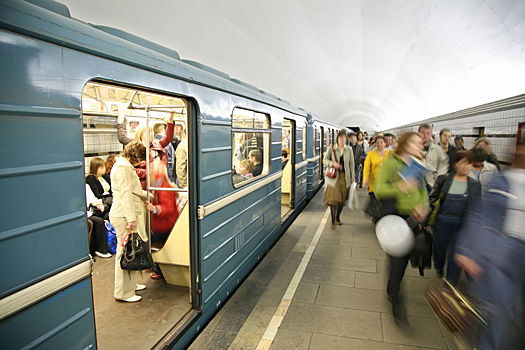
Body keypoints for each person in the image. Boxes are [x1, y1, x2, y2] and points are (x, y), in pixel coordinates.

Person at [454, 143, 525, 350]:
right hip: (501, 257)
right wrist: (468, 250)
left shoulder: (495, 175)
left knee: (509, 316)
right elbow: (481, 216)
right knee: (499, 312)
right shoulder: (502, 181)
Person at [375, 131, 429, 327]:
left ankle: (394, 288)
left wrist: (423, 206)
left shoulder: (417, 165)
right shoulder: (392, 163)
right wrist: (400, 187)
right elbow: (379, 189)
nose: (420, 146)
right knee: (398, 262)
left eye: (421, 143)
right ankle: (396, 298)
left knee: (405, 259)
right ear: (405, 144)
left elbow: (423, 190)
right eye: (416, 142)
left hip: (413, 220)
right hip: (395, 221)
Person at [427, 151, 481, 285]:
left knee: (456, 256)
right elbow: (432, 199)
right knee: (440, 251)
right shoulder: (443, 179)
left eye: (468, 163)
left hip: (462, 225)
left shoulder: (475, 185)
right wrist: (425, 219)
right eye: (461, 163)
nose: (464, 166)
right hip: (442, 223)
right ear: (455, 164)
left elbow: (476, 208)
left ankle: (450, 286)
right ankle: (439, 266)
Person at [109, 141, 148, 303]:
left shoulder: (123, 165)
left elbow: (133, 191)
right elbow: (125, 195)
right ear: (136, 156)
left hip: (126, 213)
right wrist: (131, 219)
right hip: (123, 215)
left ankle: (131, 284)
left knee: (131, 251)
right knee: (125, 253)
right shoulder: (123, 167)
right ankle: (123, 292)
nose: (141, 162)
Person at [117, 112, 175, 188]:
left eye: (152, 132)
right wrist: (120, 123)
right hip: (143, 184)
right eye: (148, 132)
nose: (151, 134)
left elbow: (168, 138)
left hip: (158, 181)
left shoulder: (156, 143)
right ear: (141, 134)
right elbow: (122, 138)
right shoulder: (135, 147)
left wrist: (170, 122)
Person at [144, 161, 180, 280]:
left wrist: (153, 208)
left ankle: (158, 269)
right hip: (163, 224)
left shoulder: (163, 188)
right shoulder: (160, 185)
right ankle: (154, 263)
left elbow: (168, 207)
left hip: (165, 225)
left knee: (149, 242)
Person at [323, 129, 356, 228]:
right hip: (334, 178)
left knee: (341, 200)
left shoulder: (349, 149)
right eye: (340, 137)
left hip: (345, 178)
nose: (342, 139)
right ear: (337, 138)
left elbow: (351, 164)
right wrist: (333, 164)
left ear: (346, 139)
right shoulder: (331, 148)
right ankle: (333, 220)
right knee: (333, 200)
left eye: (344, 137)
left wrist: (353, 178)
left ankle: (337, 217)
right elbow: (324, 160)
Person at [362, 135, 390, 222]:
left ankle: (381, 216)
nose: (379, 144)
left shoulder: (390, 154)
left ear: (385, 143)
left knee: (384, 202)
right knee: (374, 200)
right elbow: (366, 167)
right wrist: (365, 179)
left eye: (381, 142)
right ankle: (376, 216)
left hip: (386, 183)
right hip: (374, 182)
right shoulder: (371, 154)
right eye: (377, 142)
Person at [419, 123, 449, 192]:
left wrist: (439, 176)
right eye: (423, 132)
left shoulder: (437, 149)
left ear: (431, 135)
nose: (425, 135)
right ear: (418, 133)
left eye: (428, 133)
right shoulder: (412, 148)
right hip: (416, 186)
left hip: (430, 186)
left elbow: (444, 163)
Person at [86, 184, 111, 258]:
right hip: (86, 211)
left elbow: (93, 198)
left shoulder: (86, 185)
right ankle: (101, 250)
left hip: (92, 209)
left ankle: (110, 245)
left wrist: (98, 203)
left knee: (107, 215)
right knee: (98, 221)